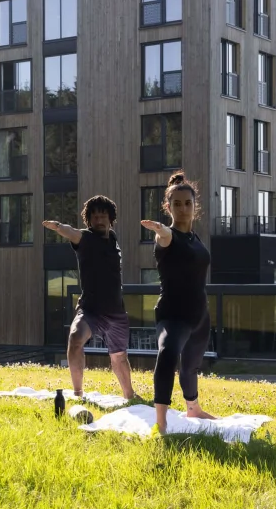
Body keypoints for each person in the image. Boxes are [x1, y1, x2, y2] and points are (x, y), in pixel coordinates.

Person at [141, 173, 218, 434]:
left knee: (190, 367)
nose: (183, 208)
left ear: (195, 206)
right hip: (173, 315)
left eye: (188, 203)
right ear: (168, 207)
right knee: (168, 355)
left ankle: (193, 407)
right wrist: (161, 230)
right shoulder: (167, 238)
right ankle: (161, 423)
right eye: (177, 203)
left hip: (199, 315)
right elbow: (165, 236)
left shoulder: (195, 239)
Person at [42, 196, 136, 400]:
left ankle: (130, 395)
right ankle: (78, 393)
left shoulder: (113, 239)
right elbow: (72, 232)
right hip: (91, 309)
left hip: (116, 311)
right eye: (95, 216)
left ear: (111, 219)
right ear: (89, 220)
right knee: (75, 338)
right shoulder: (86, 238)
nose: (99, 220)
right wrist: (58, 226)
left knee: (119, 357)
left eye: (103, 215)